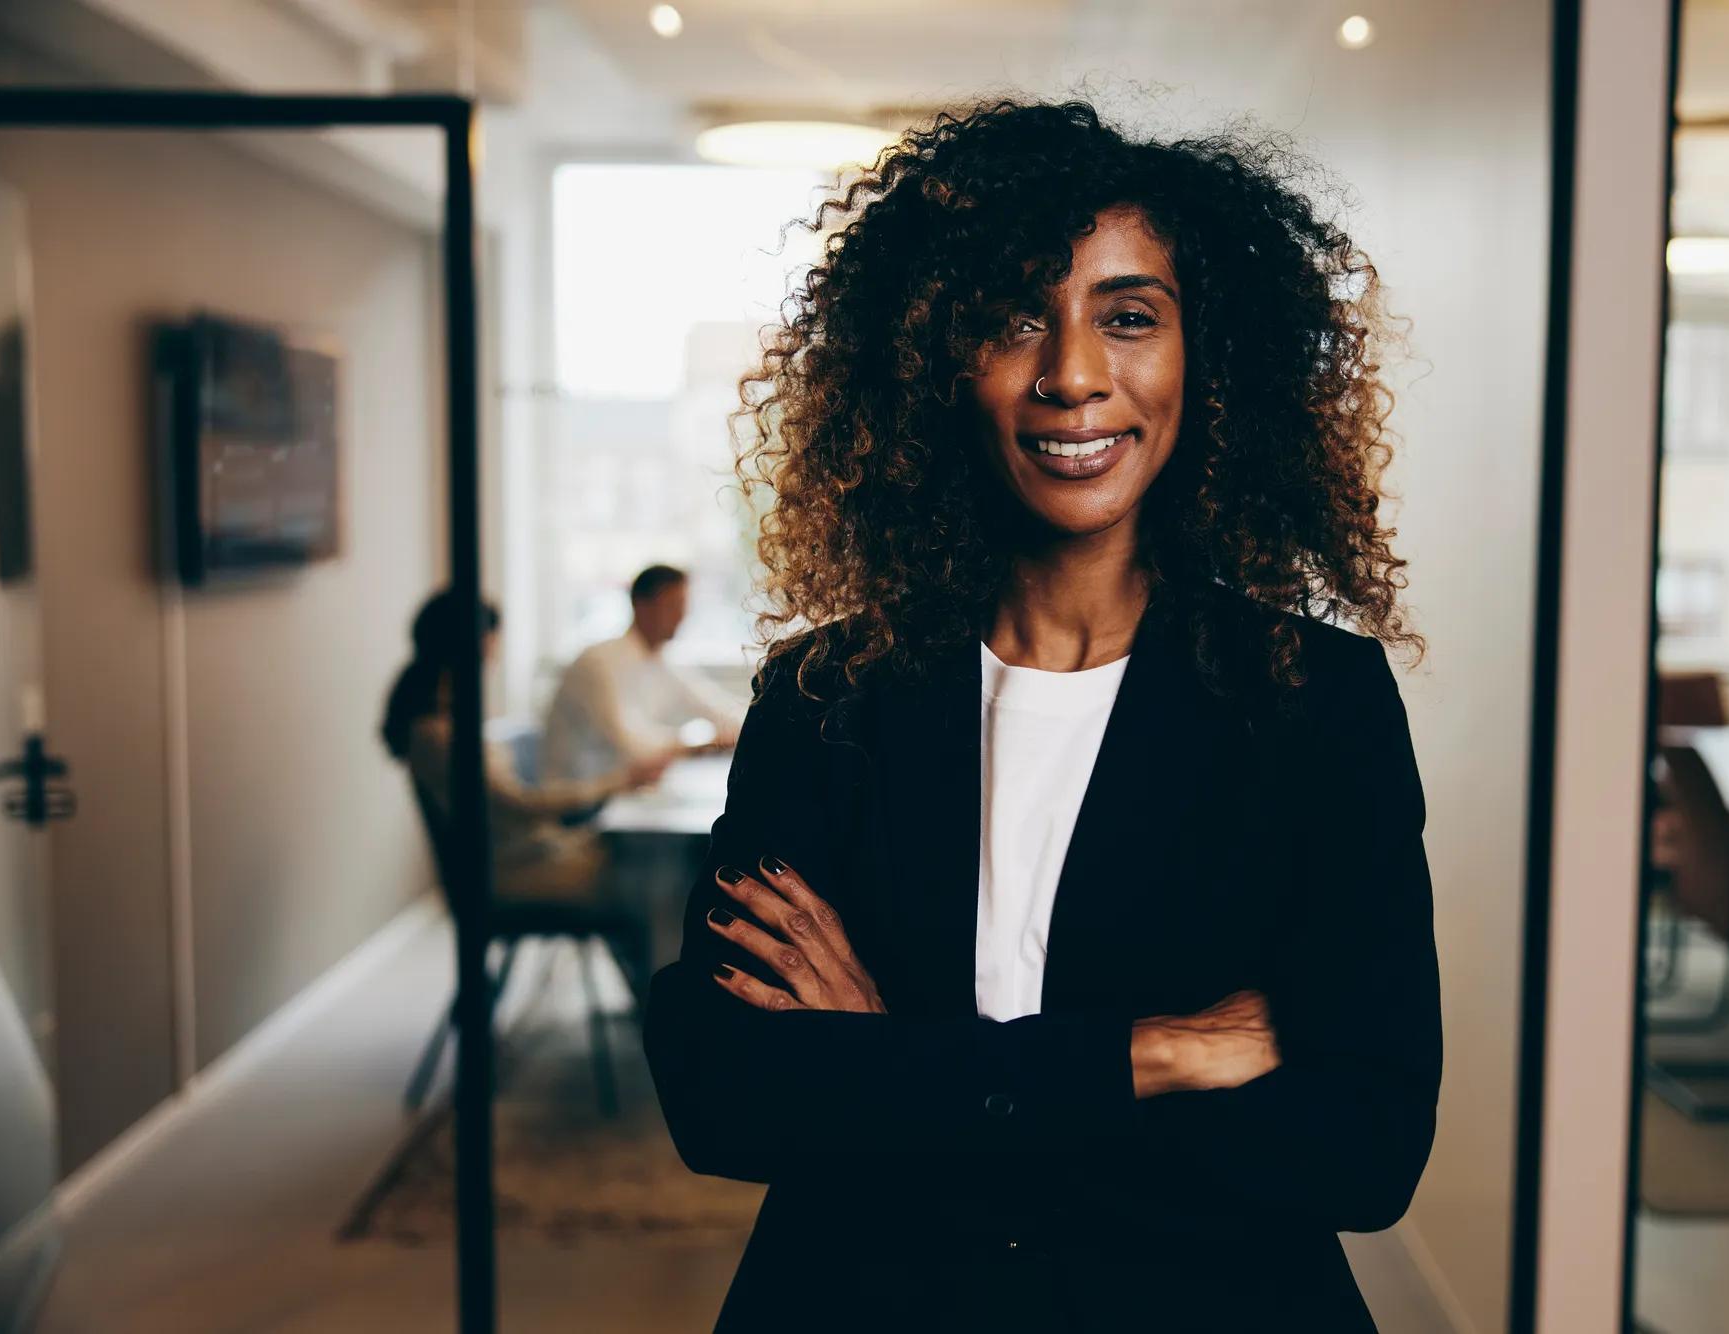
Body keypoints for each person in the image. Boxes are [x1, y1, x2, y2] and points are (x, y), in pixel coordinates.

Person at [644, 98, 1440, 1333]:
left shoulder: (1311, 704)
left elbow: (1360, 1150)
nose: (1071, 374)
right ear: (929, 364)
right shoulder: (824, 698)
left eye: (1128, 317)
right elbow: (725, 1097)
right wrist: (1146, 1056)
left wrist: (896, 1062)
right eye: (1012, 319)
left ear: (1204, 358)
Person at [381, 589, 667, 904]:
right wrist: (615, 783)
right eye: (492, 638)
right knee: (656, 874)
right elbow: (522, 804)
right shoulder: (441, 736)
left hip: (525, 857)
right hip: (518, 871)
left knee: (645, 860)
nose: (495, 652)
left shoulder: (441, 727)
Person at [541, 565, 745, 785]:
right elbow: (633, 745)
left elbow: (715, 706)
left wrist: (756, 730)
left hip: (622, 793)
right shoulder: (599, 663)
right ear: (641, 606)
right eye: (672, 606)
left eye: (684, 606)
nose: (681, 616)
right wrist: (699, 746)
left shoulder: (661, 660)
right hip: (577, 802)